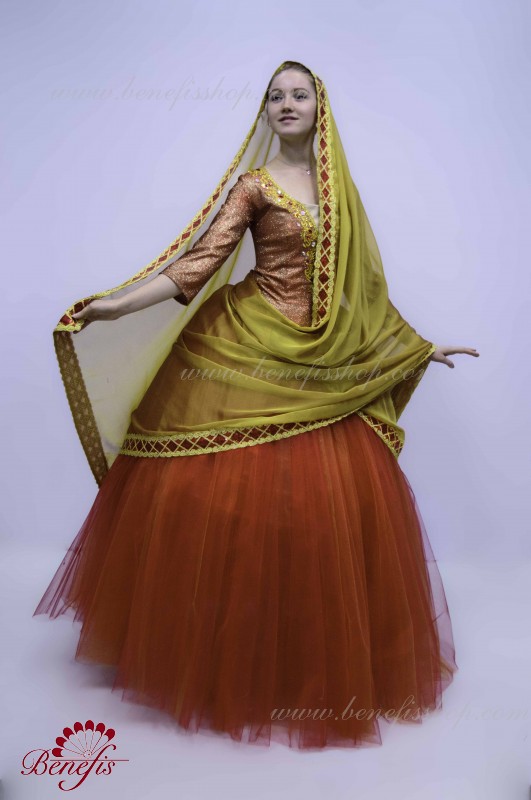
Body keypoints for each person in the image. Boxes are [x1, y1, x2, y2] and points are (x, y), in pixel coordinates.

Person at [33, 60, 479, 750]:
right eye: (275, 96)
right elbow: (198, 263)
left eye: (299, 94)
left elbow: (362, 290)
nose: (286, 104)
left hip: (320, 365)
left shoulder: (339, 191)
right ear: (265, 112)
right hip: (245, 346)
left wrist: (416, 346)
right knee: (225, 511)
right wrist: (117, 305)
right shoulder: (254, 185)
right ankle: (219, 657)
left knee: (319, 517)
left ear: (319, 107)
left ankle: (301, 661)